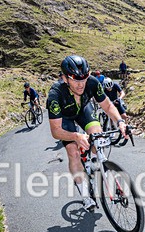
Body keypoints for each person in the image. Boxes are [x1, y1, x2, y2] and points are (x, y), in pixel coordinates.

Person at [47, 55, 128, 212]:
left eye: (84, 78)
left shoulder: (92, 82)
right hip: (66, 118)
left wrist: (120, 122)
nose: (81, 84)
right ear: (64, 78)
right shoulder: (55, 95)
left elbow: (108, 106)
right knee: (73, 153)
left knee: (98, 137)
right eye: (76, 80)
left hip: (84, 110)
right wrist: (76, 136)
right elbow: (56, 131)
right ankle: (85, 195)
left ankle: (93, 163)